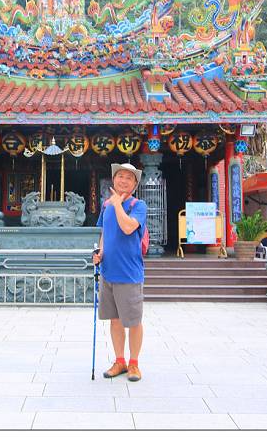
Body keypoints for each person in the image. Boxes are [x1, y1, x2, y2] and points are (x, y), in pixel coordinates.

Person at [93, 163, 147, 382]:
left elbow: (127, 228)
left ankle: (134, 364)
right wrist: (100, 253)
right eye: (120, 176)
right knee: (114, 320)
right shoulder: (106, 206)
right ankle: (120, 361)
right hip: (108, 272)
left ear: (135, 184)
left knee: (133, 321)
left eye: (129, 178)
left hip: (129, 273)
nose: (123, 180)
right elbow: (104, 233)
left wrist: (117, 205)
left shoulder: (138, 205)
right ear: (113, 180)